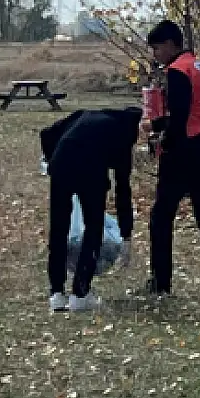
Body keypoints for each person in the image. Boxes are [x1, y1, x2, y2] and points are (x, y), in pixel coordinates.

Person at [144, 20, 200, 298]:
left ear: (171, 44)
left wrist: (160, 138)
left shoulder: (178, 71)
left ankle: (161, 284)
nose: (156, 55)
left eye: (157, 48)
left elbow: (180, 116)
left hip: (185, 150)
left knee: (161, 217)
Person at [39, 106, 141, 312]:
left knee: (59, 228)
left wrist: (51, 159)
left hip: (60, 164)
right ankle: (80, 294)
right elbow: (123, 189)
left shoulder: (86, 114)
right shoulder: (124, 134)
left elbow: (47, 133)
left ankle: (56, 294)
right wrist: (127, 235)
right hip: (90, 172)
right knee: (93, 229)